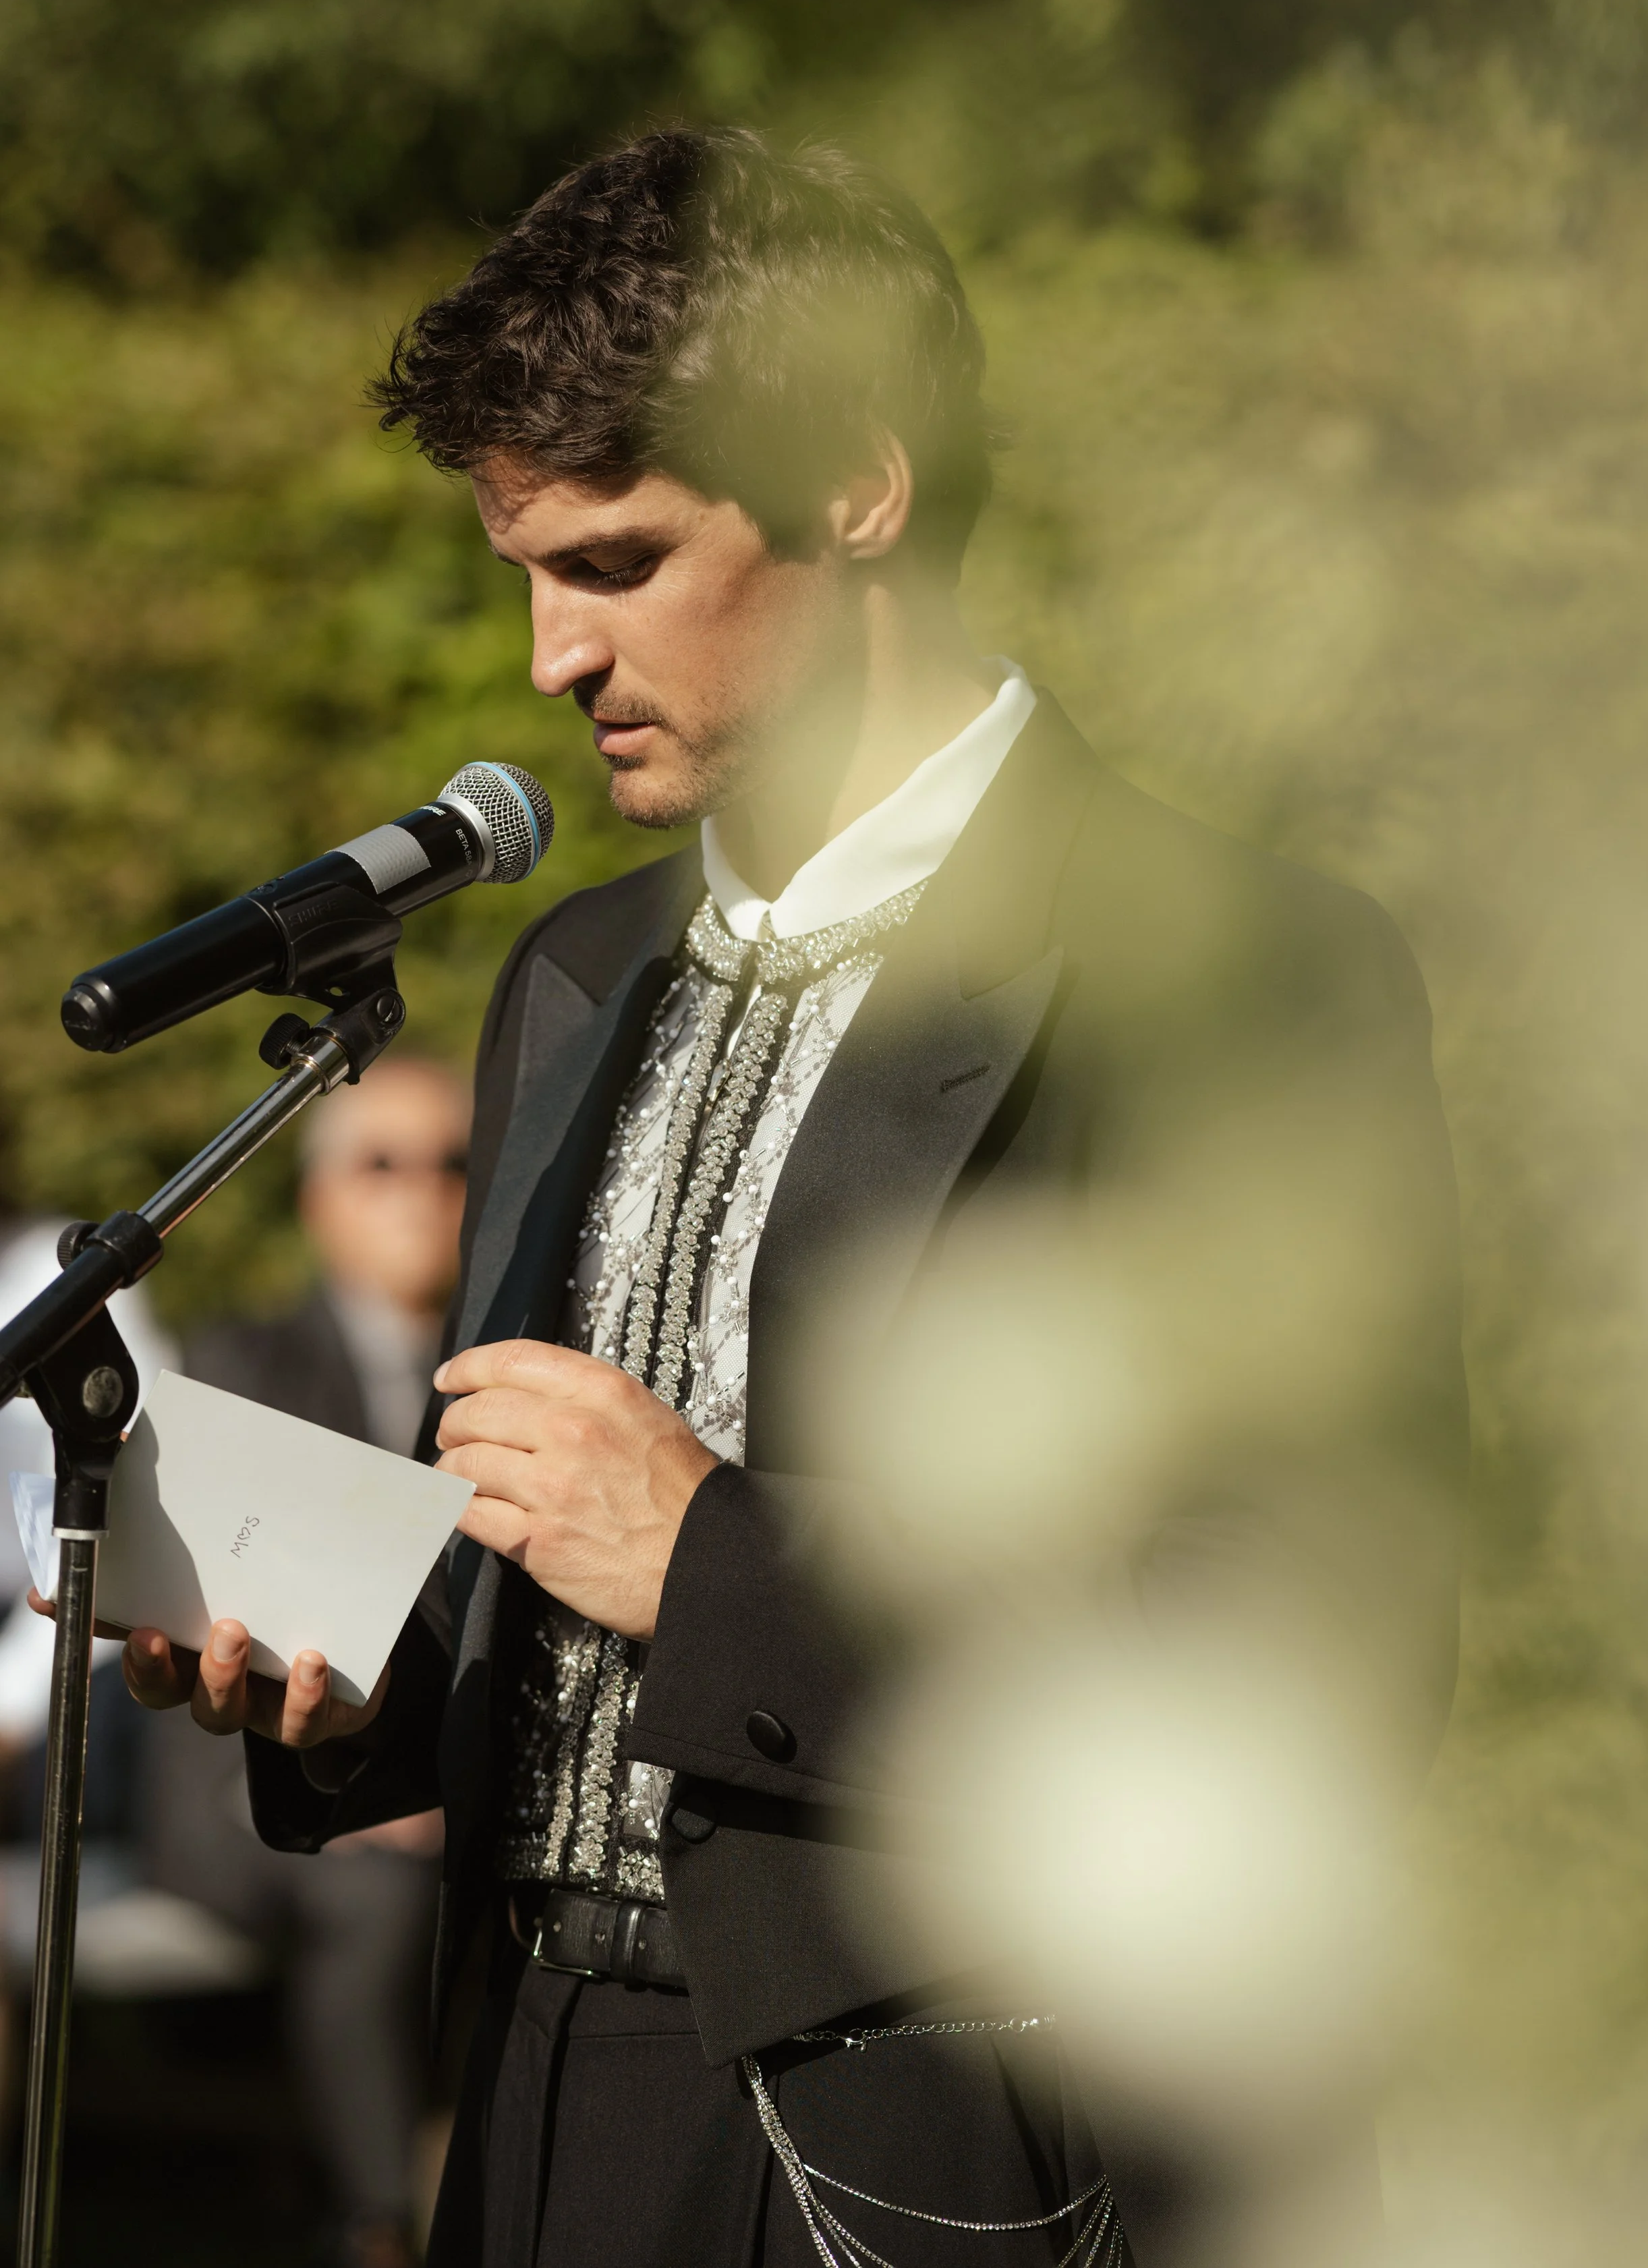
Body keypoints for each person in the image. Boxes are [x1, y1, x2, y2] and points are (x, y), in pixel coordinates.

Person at [108, 130, 1467, 2266]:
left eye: (619, 560)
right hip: (543, 2106)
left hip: (970, 2147)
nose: (551, 657)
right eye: (524, 573)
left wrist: (714, 1557)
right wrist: (350, 1680)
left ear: (860, 484)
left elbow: (1318, 1654)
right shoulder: (574, 965)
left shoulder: (1238, 966)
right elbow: (550, 1624)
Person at [144, 1057, 471, 2268]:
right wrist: (373, 1783)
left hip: (455, 1797)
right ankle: (378, 2227)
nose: (424, 1192)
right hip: (248, 1788)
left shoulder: (521, 1371)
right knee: (373, 1890)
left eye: (456, 1163)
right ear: (318, 1199)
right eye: (383, 1162)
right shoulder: (239, 1359)